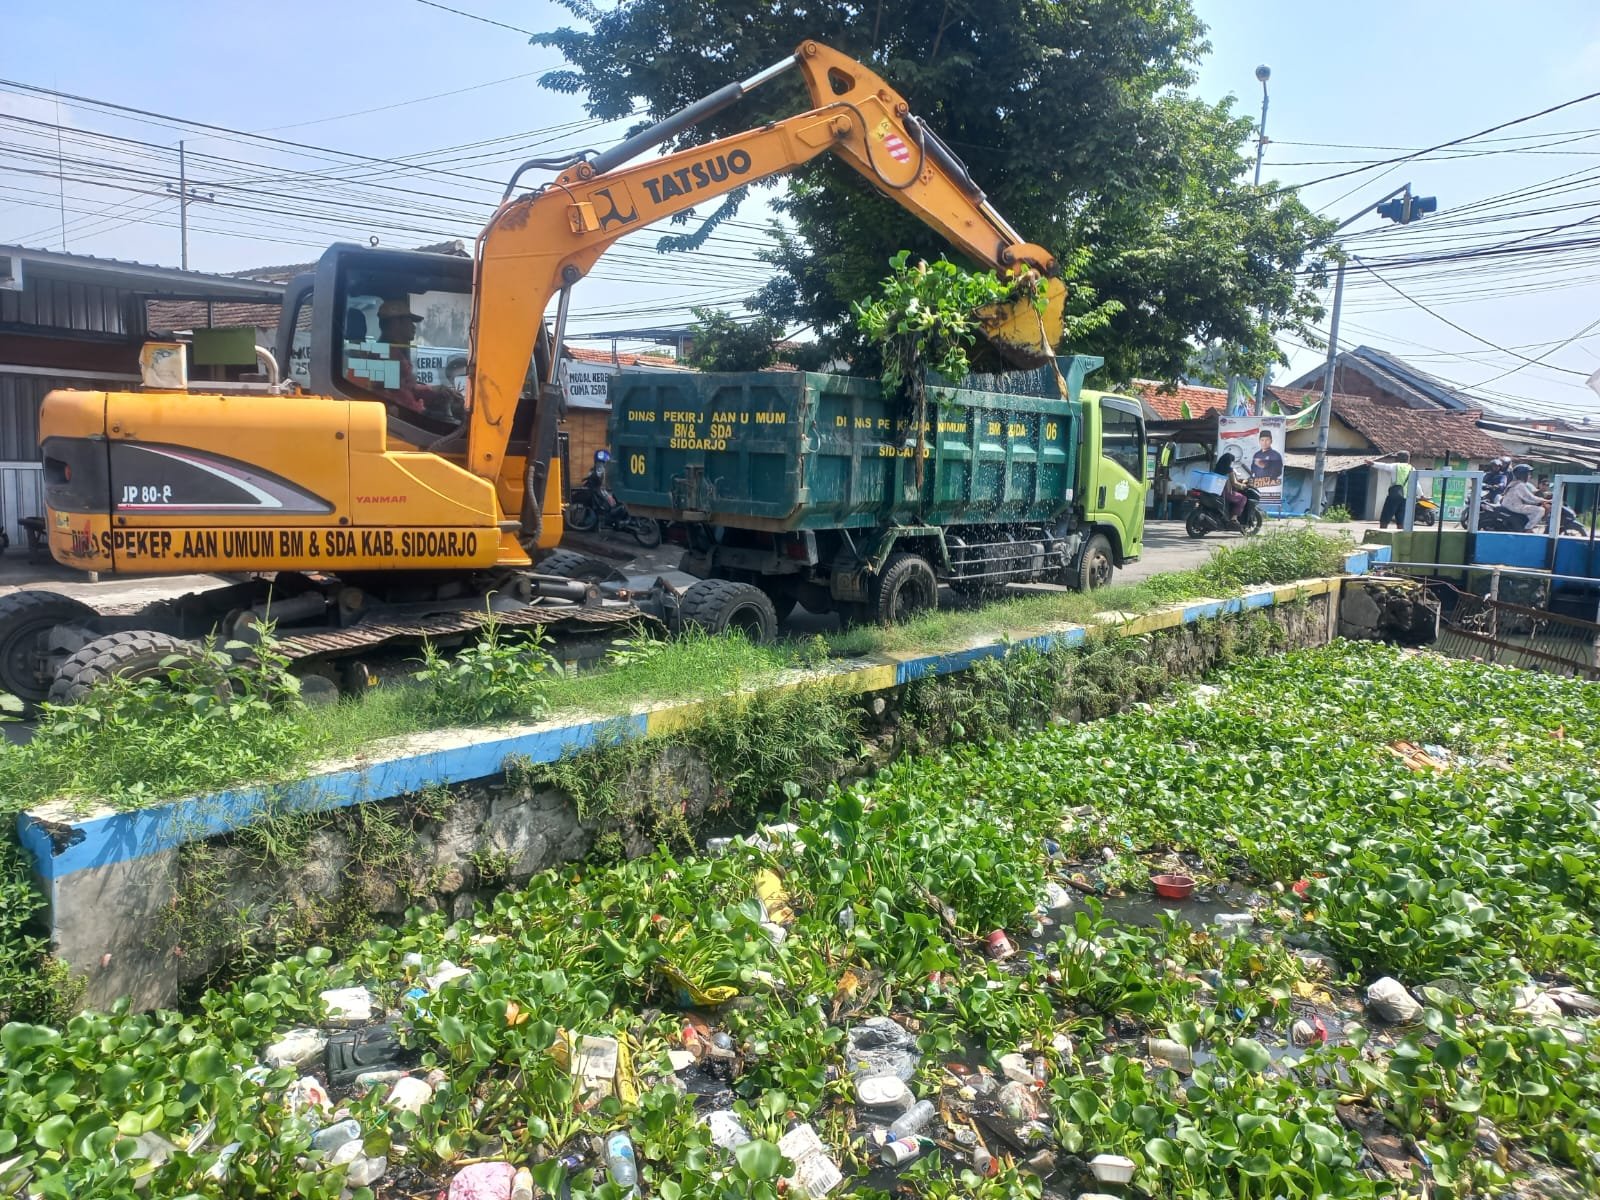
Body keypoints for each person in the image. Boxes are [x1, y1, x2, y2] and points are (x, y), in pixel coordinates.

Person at [1501, 464, 1549, 531]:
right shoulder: (1520, 485)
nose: (1530, 476)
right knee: (1540, 510)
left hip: (1508, 505)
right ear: (1523, 474)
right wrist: (1545, 500)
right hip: (1514, 506)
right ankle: (1528, 529)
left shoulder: (1514, 483)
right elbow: (1530, 498)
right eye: (1528, 474)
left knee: (1532, 510)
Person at [1378, 451, 1412, 529]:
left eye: (1396, 457)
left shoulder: (1396, 466)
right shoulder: (1412, 468)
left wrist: (1372, 463)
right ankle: (1401, 535)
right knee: (1401, 520)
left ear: (1398, 458)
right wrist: (1422, 495)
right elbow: (1417, 484)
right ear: (1408, 459)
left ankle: (1382, 533)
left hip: (1394, 496)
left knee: (1385, 518)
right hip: (1405, 497)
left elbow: (1384, 466)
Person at [1213, 451, 1246, 525]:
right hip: (1225, 493)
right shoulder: (1229, 469)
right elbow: (1234, 483)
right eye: (1232, 461)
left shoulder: (1217, 468)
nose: (1232, 463)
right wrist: (1244, 486)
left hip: (1216, 492)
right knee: (1243, 498)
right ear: (1229, 461)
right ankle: (1234, 518)